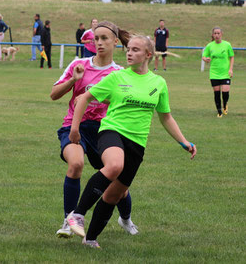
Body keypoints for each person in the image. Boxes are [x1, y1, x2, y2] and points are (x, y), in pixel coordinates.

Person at [66, 35, 197, 249]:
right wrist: (74, 128)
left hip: (138, 143)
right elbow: (84, 98)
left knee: (113, 194)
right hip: (112, 131)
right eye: (128, 49)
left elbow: (165, 117)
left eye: (135, 50)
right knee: (114, 165)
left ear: (147, 55)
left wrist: (183, 142)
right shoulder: (116, 77)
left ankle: (90, 238)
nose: (129, 53)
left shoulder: (158, 83)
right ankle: (77, 214)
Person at [51, 21, 139, 239]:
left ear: (115, 42)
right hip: (74, 126)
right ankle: (68, 220)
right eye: (96, 39)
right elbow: (53, 94)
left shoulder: (120, 73)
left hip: (105, 131)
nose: (99, 43)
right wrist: (74, 79)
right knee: (76, 163)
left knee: (118, 184)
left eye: (104, 38)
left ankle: (125, 218)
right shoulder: (78, 64)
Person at [202, 27, 234, 117]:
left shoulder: (227, 45)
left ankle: (225, 105)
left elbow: (231, 57)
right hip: (214, 73)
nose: (216, 35)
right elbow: (204, 56)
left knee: (225, 93)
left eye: (218, 33)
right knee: (216, 92)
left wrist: (230, 69)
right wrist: (206, 59)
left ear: (221, 34)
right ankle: (219, 112)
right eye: (215, 33)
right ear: (213, 35)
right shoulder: (210, 45)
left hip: (225, 73)